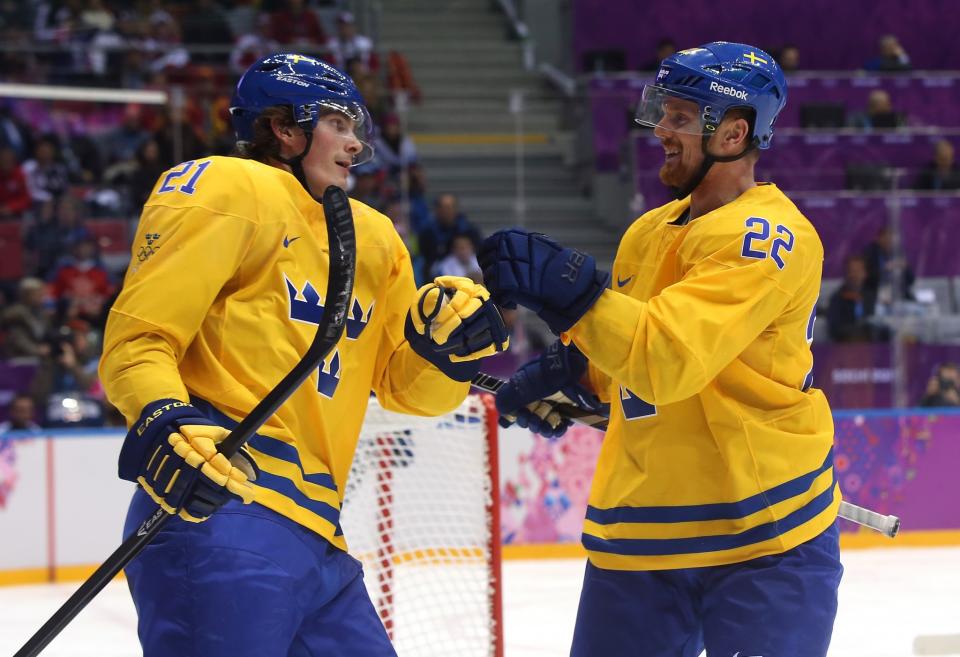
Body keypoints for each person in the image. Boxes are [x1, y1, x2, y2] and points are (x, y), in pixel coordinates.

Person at [98, 53, 508, 657]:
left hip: (318, 531)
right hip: (224, 504)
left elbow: (404, 389)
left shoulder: (374, 236)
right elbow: (139, 340)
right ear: (284, 129)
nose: (354, 145)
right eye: (337, 124)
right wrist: (165, 421)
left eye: (356, 130)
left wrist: (442, 351)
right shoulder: (228, 185)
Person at [480, 43, 842, 656]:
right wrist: (563, 378)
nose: (661, 131)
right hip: (644, 529)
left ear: (733, 132)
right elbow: (623, 357)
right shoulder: (648, 232)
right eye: (663, 113)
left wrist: (568, 293)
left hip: (761, 534)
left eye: (680, 117)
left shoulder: (768, 237)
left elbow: (665, 361)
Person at [827, 255, 886, 342]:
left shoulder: (870, 297)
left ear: (865, 274)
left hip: (870, 348)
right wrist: (861, 331)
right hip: (846, 348)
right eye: (852, 271)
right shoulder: (837, 298)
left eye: (858, 271)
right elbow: (834, 329)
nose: (855, 275)